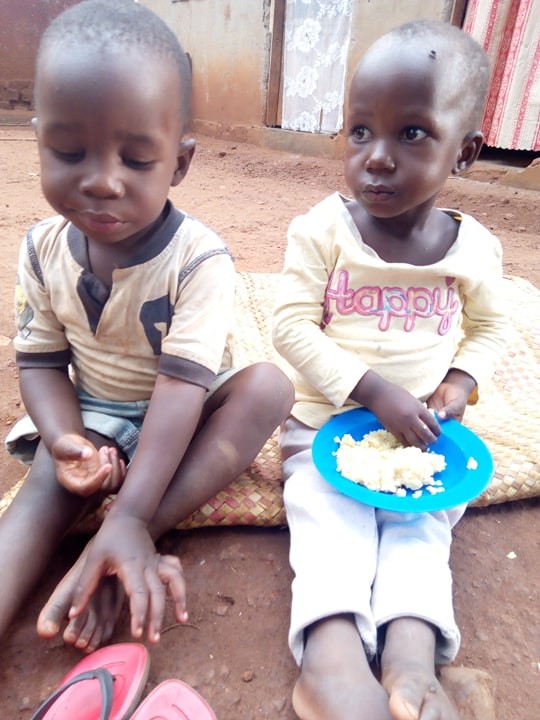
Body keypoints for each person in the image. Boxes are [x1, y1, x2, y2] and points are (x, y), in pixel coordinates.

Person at [0, 0, 293, 653]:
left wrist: (131, 514)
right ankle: (114, 533)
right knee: (39, 500)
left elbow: (183, 388)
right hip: (94, 419)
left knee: (268, 389)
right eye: (69, 151)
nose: (102, 182)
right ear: (39, 140)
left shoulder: (199, 259)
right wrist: (65, 440)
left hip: (185, 420)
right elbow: (41, 363)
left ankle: (123, 537)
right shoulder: (40, 249)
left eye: (136, 160)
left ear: (179, 164)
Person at [272, 19, 507, 720]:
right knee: (329, 521)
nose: (376, 157)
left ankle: (412, 662)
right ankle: (331, 662)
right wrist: (374, 392)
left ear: (465, 153)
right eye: (360, 131)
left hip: (420, 442)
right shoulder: (321, 231)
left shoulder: (473, 250)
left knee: (420, 530)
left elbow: (492, 328)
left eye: (411, 134)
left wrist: (459, 383)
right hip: (324, 428)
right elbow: (289, 326)